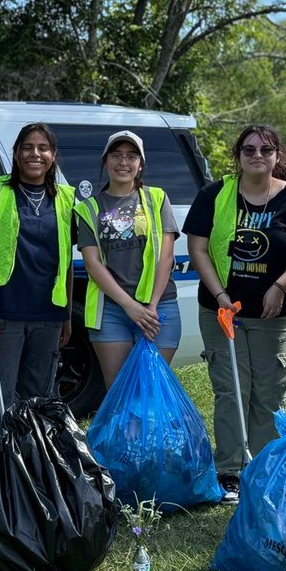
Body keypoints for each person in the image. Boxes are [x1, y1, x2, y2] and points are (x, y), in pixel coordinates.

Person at [184, 124, 286, 502]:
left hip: (274, 313)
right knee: (231, 390)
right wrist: (220, 294)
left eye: (266, 150)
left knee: (270, 392)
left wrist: (279, 286)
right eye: (249, 149)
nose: (257, 156)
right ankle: (231, 470)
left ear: (276, 156)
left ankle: (267, 466)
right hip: (222, 311)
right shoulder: (215, 195)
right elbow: (198, 249)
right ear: (238, 155)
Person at [0, 122, 75, 437]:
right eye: (27, 147)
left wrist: (67, 315)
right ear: (16, 154)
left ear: (53, 155)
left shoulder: (67, 199)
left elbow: (68, 261)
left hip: (48, 314)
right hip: (3, 313)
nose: (35, 154)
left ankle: (32, 470)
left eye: (43, 148)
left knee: (39, 400)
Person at [74, 131, 180, 388]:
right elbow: (93, 264)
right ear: (105, 161)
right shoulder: (88, 207)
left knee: (151, 390)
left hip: (160, 307)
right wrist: (130, 307)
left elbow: (166, 256)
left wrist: (150, 307)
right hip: (111, 310)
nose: (124, 162)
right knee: (119, 390)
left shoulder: (157, 198)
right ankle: (124, 432)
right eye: (116, 155)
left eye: (132, 156)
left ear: (140, 164)